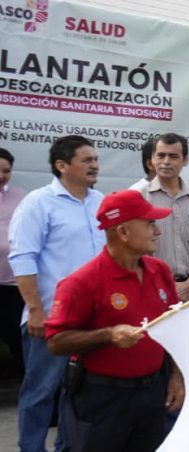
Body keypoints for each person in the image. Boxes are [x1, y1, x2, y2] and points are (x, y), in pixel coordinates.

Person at [43, 190, 184, 452]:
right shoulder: (82, 282)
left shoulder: (160, 271)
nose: (157, 231)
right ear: (123, 232)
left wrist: (176, 377)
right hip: (102, 399)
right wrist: (108, 335)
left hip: (152, 392)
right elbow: (56, 341)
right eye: (150, 223)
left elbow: (173, 325)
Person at [7, 135, 106, 452]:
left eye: (95, 159)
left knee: (77, 392)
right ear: (62, 166)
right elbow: (23, 258)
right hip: (51, 317)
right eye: (86, 160)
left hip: (93, 319)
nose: (94, 165)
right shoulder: (38, 202)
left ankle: (68, 447)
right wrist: (35, 310)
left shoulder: (100, 201)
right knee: (41, 391)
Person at [140, 133, 189, 298]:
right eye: (161, 156)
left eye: (173, 156)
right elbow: (135, 250)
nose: (166, 162)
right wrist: (163, 284)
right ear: (152, 159)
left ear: (185, 160)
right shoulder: (139, 198)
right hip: (151, 289)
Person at [0, 147, 28, 378]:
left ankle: (23, 384)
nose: (2, 175)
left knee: (17, 338)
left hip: (12, 284)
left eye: (6, 170)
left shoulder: (21, 196)